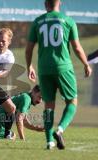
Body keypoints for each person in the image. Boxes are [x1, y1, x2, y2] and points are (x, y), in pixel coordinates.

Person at [25, 0, 92, 149]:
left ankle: (49, 142)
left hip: (44, 68)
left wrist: (29, 65)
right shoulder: (68, 21)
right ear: (60, 3)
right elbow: (77, 48)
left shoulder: (38, 21)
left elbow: (29, 48)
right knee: (72, 101)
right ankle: (60, 129)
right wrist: (86, 64)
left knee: (48, 105)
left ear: (45, 3)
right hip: (63, 67)